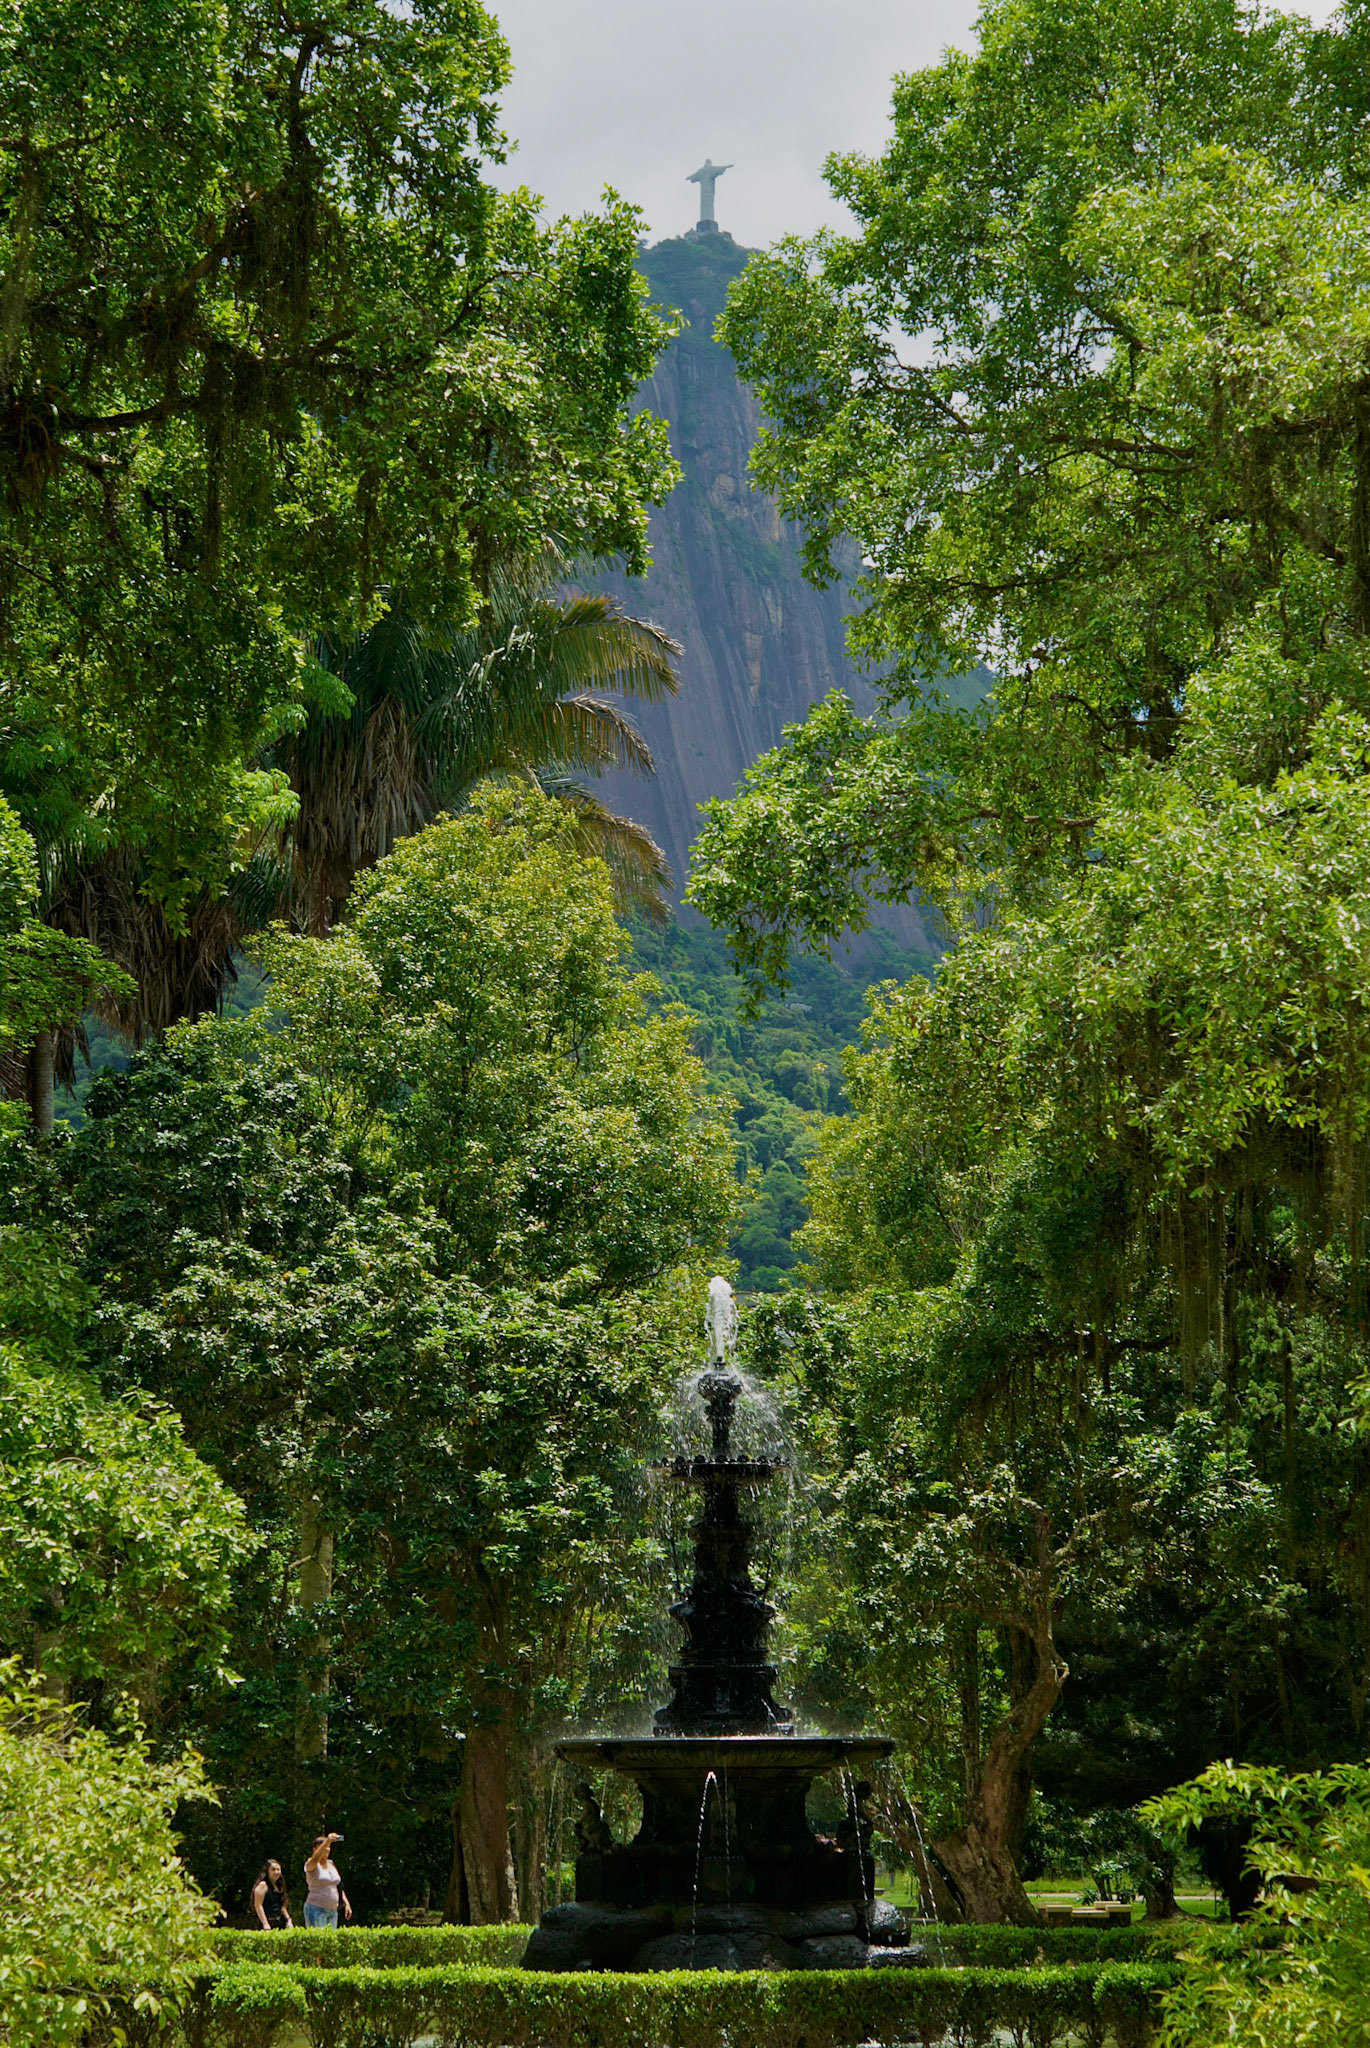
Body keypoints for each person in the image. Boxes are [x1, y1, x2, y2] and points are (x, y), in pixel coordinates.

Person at [303, 1831, 352, 1928]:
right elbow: (315, 1858)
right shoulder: (311, 1863)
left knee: (331, 1941)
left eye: (328, 1847)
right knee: (318, 1941)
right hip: (316, 1908)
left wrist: (346, 1903)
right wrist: (327, 1841)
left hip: (332, 1910)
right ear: (315, 1849)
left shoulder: (331, 1864)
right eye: (322, 1847)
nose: (326, 1849)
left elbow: (337, 1886)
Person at [251, 1857, 293, 1930]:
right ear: (267, 1871)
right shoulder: (263, 1885)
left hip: (280, 1922)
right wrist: (265, 1923)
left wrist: (288, 1920)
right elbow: (258, 1905)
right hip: (268, 1923)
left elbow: (282, 1906)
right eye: (273, 1870)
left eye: (278, 1869)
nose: (276, 1872)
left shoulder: (279, 1886)